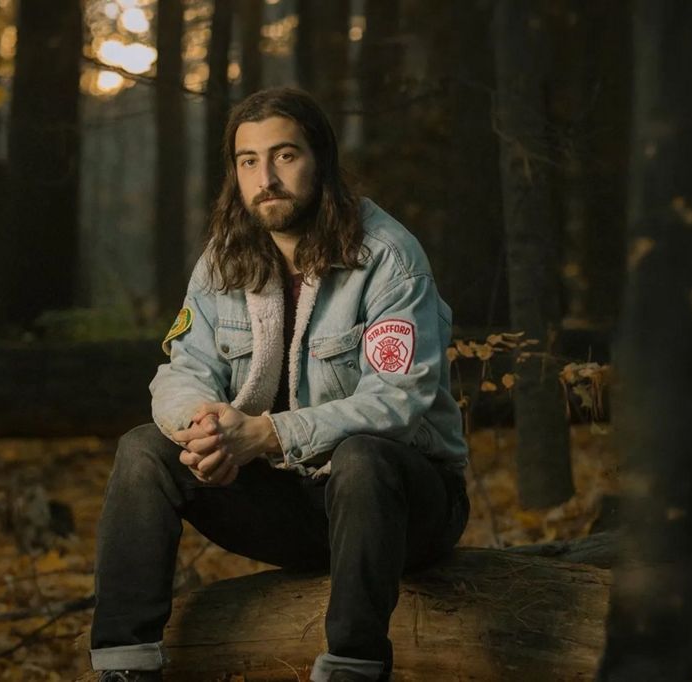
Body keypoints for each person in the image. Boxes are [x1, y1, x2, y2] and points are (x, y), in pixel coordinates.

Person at [89, 87, 469, 682]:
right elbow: (182, 370)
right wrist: (206, 430)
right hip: (292, 508)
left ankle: (352, 666)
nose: (265, 176)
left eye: (285, 155)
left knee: (364, 458)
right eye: (248, 161)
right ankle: (123, 664)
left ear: (320, 158)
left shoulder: (389, 257)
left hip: (402, 507)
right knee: (144, 450)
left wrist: (268, 434)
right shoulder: (224, 260)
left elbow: (398, 401)